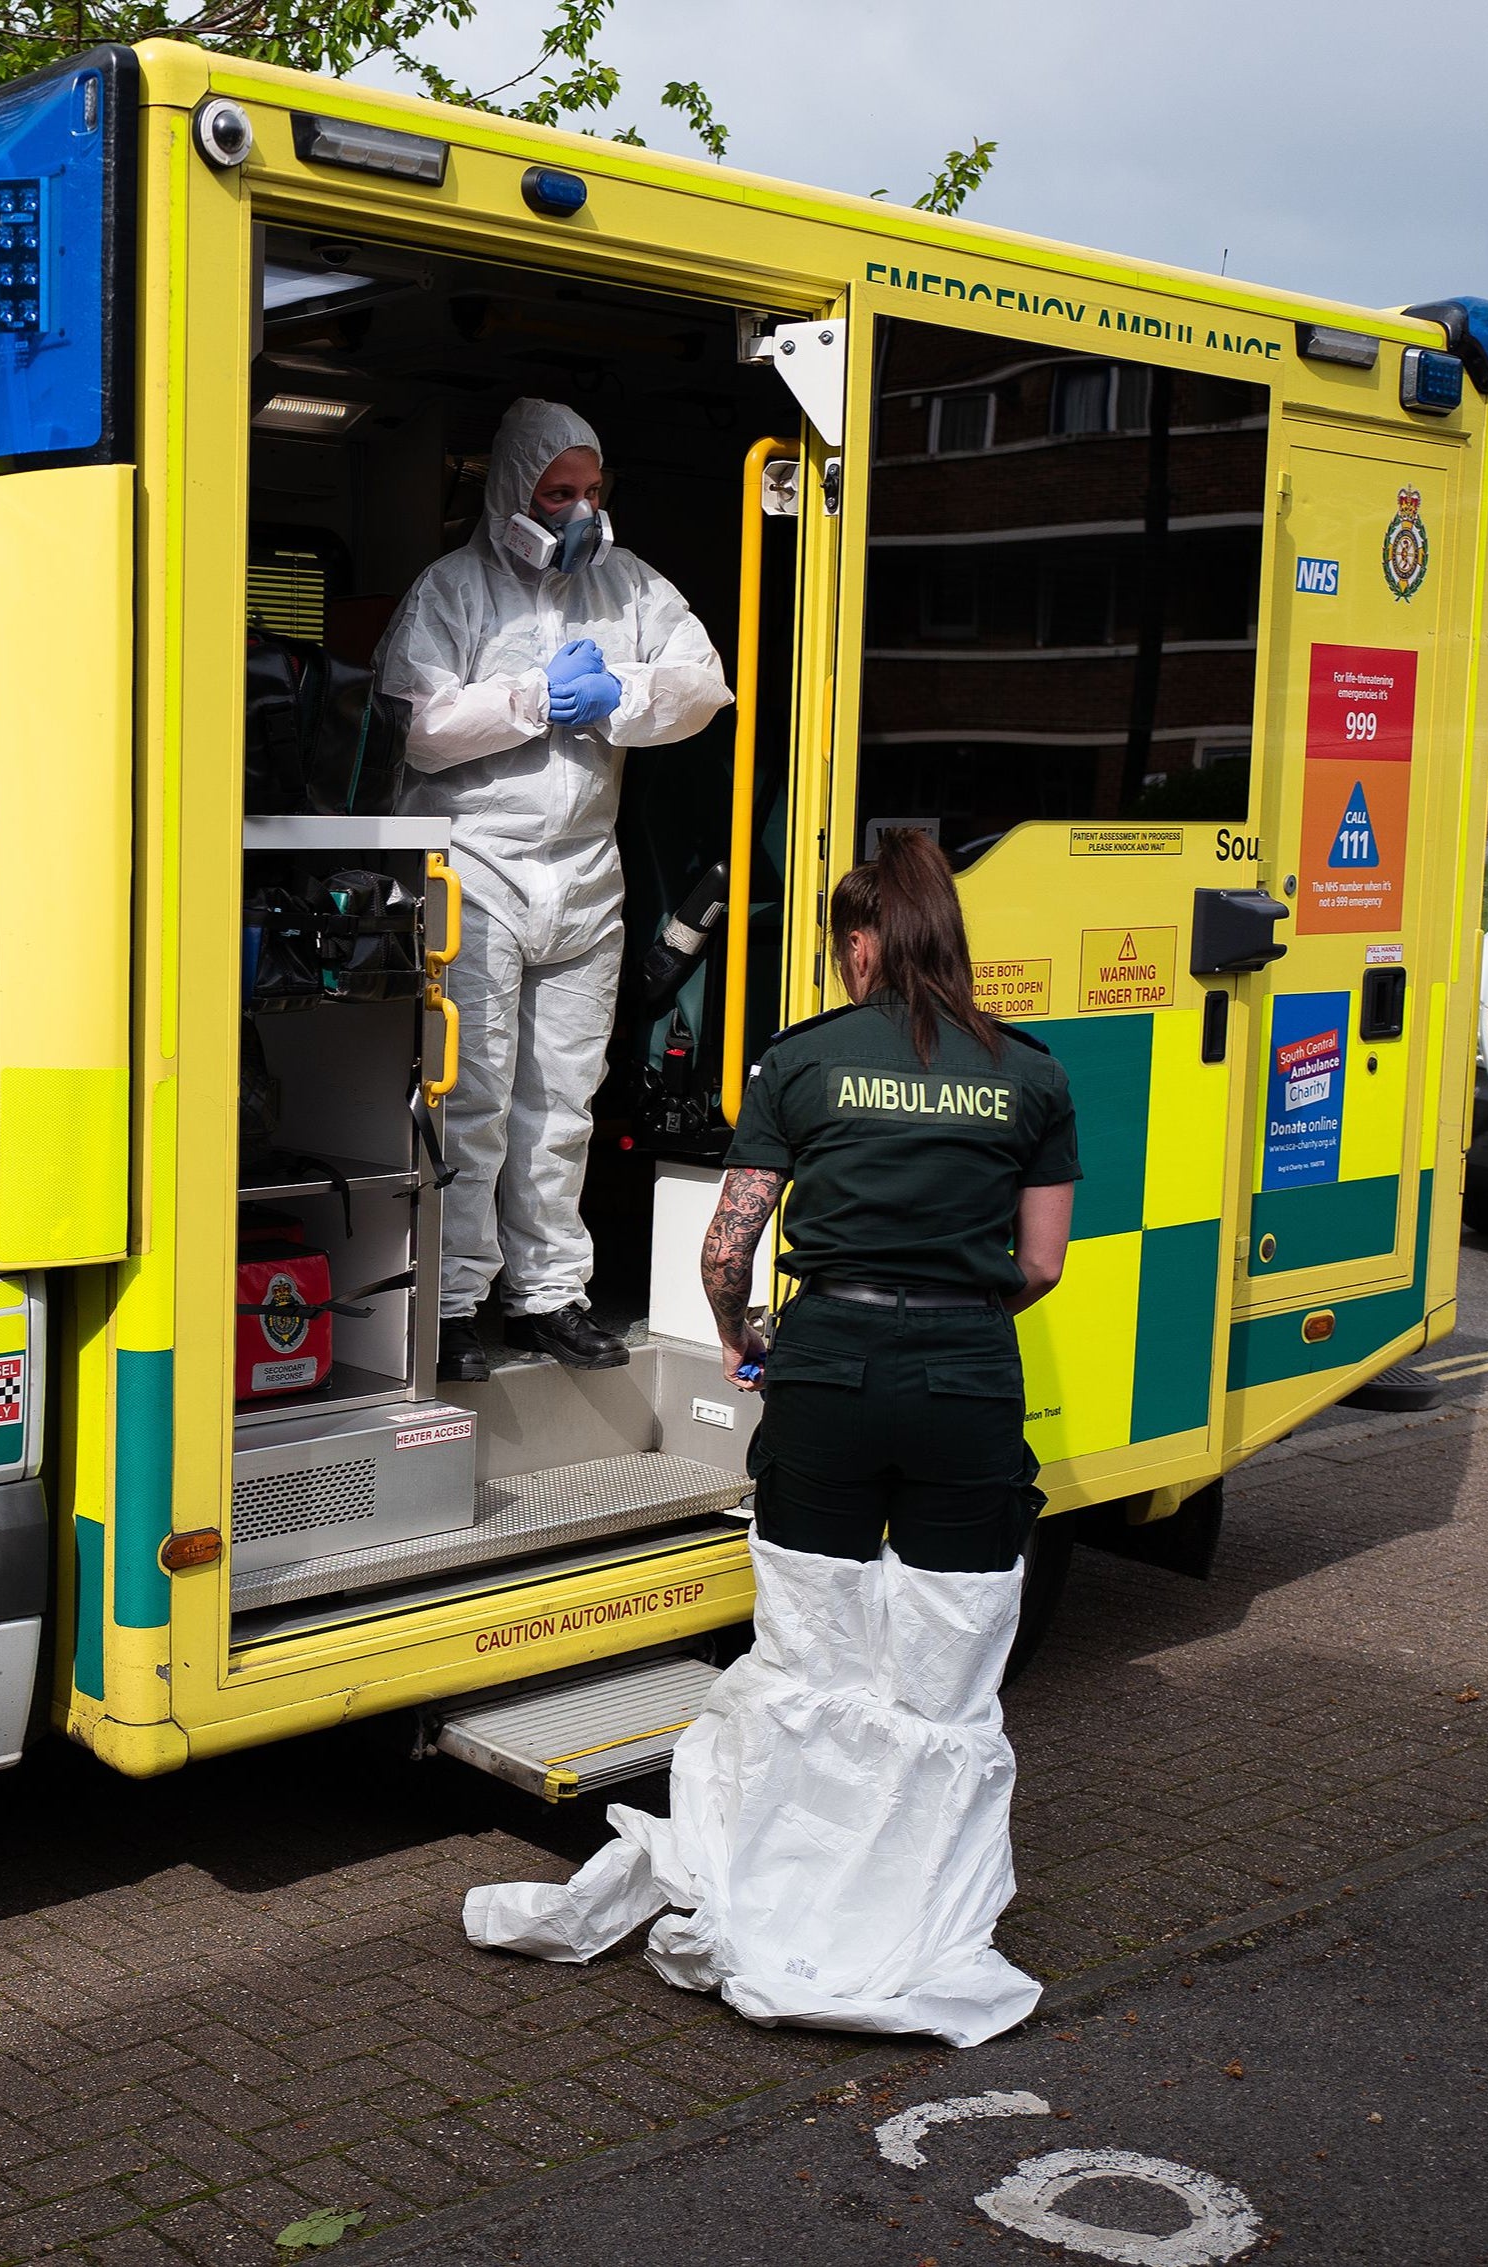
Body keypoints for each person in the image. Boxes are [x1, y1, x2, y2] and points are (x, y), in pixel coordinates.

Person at [461, 829, 1079, 2049]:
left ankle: (798, 1887)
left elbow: (726, 1248)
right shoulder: (1030, 1073)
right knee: (945, 1673)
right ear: (949, 935)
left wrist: (753, 1337)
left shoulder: (802, 1063)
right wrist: (951, 1313)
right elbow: (1043, 1262)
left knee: (811, 1654)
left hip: (830, 1372)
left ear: (861, 940)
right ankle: (910, 1915)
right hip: (965, 1381)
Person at [376, 399, 730, 1377]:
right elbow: (421, 722)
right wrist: (534, 698)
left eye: (591, 491)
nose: (579, 511)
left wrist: (621, 691)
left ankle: (546, 1295)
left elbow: (703, 683)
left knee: (563, 1104)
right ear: (511, 493)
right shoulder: (453, 592)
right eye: (558, 492)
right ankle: (449, 1305)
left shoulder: (625, 587)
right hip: (476, 872)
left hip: (583, 875)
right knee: (472, 1101)